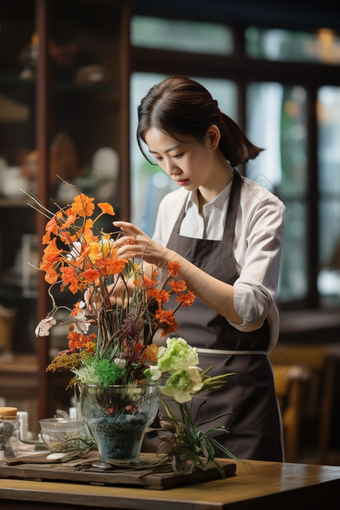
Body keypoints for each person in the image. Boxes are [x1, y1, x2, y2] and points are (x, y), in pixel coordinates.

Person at [113, 76, 285, 462]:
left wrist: (171, 260)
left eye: (176, 153)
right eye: (158, 158)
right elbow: (162, 287)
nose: (169, 169)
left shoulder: (261, 208)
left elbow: (250, 310)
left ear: (210, 137)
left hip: (241, 397)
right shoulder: (172, 207)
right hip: (175, 394)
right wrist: (127, 290)